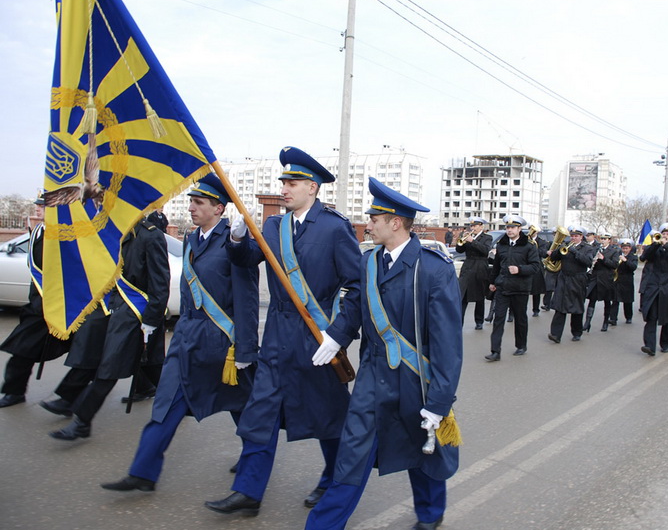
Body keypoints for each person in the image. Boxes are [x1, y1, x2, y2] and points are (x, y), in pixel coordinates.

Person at [204, 147, 362, 516]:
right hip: (276, 338)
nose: (284, 189)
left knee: (329, 417)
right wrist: (238, 241)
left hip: (316, 339)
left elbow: (356, 286)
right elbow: (248, 261)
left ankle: (333, 479)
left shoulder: (334, 228)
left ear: (313, 187)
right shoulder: (275, 226)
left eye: (292, 183)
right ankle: (248, 492)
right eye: (284, 183)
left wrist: (338, 335)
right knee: (259, 416)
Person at [305, 177, 462, 530]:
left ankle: (430, 515)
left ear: (395, 223)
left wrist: (439, 403)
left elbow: (448, 345)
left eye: (374, 219)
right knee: (351, 454)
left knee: (422, 449)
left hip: (415, 380)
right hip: (372, 379)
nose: (368, 224)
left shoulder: (434, 269)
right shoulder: (369, 262)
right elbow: (355, 305)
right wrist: (336, 337)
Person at [100, 174, 259, 491]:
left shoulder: (234, 241)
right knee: (165, 403)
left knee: (243, 408)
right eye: (191, 202)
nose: (191, 208)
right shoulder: (191, 239)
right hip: (186, 339)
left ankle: (254, 462)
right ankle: (142, 473)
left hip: (221, 343)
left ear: (218, 208)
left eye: (198, 203)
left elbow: (247, 299)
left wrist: (245, 348)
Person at [49, 216, 170, 440]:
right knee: (151, 367)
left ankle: (82, 422)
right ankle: (177, 401)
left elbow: (160, 284)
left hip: (137, 313)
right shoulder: (114, 232)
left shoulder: (150, 235)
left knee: (111, 366)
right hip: (114, 307)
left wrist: (151, 321)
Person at [0, 196, 72, 408]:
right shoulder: (39, 231)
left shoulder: (64, 236)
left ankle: (144, 381)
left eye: (43, 206)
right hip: (38, 305)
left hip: (60, 305)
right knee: (23, 349)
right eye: (39, 205)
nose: (38, 209)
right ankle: (14, 391)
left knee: (93, 350)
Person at [485, 216, 539, 360]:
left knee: (520, 319)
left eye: (513, 228)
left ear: (519, 229)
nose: (509, 230)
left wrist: (519, 269)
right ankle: (495, 351)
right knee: (498, 319)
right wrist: (492, 282)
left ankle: (521, 345)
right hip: (503, 287)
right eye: (507, 227)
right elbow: (496, 266)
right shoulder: (501, 245)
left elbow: (535, 266)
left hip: (520, 288)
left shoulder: (529, 246)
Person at [639, 223, 668, 355]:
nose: (664, 236)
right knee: (651, 316)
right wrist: (656, 244)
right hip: (654, 285)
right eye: (663, 233)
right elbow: (644, 257)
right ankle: (649, 346)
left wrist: (667, 245)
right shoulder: (655, 247)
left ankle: (665, 343)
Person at [547, 226, 594, 343]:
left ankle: (577, 332)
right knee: (560, 307)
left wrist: (575, 252)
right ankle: (555, 334)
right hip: (563, 279)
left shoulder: (587, 248)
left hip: (578, 280)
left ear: (581, 237)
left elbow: (588, 262)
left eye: (576, 236)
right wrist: (557, 250)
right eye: (572, 236)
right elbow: (554, 258)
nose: (573, 238)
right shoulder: (565, 245)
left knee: (576, 307)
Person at [455, 217, 492, 329]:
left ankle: (479, 321)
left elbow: (485, 251)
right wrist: (461, 241)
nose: (473, 228)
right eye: (471, 226)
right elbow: (459, 250)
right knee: (463, 295)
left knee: (479, 296)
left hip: (480, 267)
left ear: (481, 226)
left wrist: (473, 241)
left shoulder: (487, 237)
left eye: (475, 226)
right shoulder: (467, 236)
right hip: (468, 266)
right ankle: (459, 322)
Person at [584, 232, 619, 332]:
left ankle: (605, 322)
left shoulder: (614, 251)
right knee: (592, 300)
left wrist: (603, 259)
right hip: (595, 279)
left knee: (607, 301)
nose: (602, 241)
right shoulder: (596, 249)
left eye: (605, 239)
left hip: (606, 279)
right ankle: (587, 322)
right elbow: (589, 261)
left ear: (609, 240)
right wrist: (592, 262)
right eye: (601, 239)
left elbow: (614, 265)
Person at [610, 238, 638, 325]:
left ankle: (628, 317)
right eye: (623, 248)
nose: (625, 250)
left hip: (627, 281)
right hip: (618, 280)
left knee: (627, 301)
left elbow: (633, 267)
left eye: (626, 248)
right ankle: (613, 319)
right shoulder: (617, 255)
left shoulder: (633, 257)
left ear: (630, 248)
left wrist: (625, 260)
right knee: (615, 300)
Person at [527, 225, 549, 316]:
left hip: (536, 267)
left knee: (536, 290)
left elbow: (544, 253)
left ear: (537, 231)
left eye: (534, 230)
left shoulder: (542, 242)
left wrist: (533, 248)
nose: (532, 231)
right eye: (530, 229)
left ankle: (536, 310)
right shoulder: (524, 240)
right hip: (526, 266)